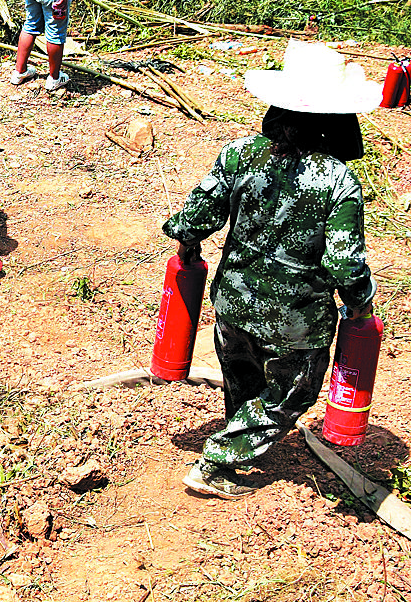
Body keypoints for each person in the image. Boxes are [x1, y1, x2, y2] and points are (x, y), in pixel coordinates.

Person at [161, 39, 381, 500]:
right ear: (336, 120)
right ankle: (218, 461)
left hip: (232, 304)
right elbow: (344, 263)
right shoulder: (338, 180)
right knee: (293, 393)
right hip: (296, 321)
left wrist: (186, 248)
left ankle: (241, 430)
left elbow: (193, 220)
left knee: (243, 375)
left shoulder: (239, 153)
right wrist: (361, 306)